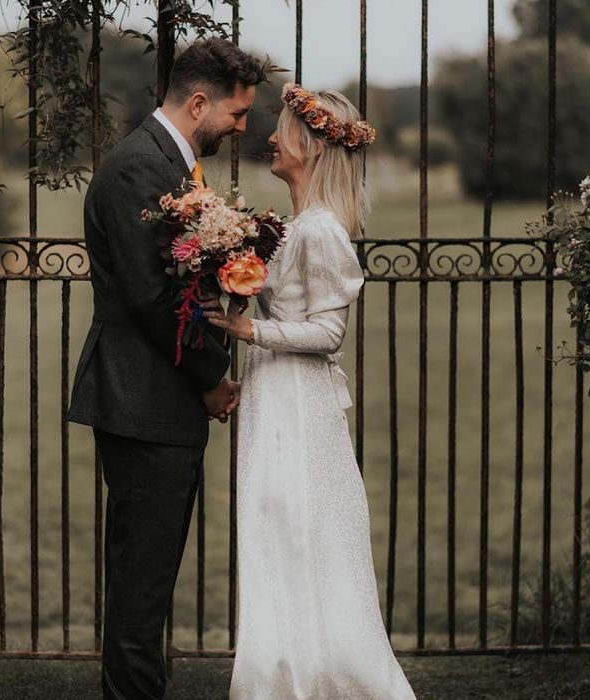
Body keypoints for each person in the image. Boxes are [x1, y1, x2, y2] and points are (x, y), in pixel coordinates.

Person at [67, 38, 268, 699]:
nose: (241, 129)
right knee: (141, 584)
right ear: (200, 101)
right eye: (237, 116)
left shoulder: (169, 167)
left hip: (156, 403)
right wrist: (212, 378)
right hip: (143, 400)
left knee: (149, 577)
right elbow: (153, 300)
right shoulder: (137, 170)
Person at [205, 83, 417, 699]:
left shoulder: (322, 230)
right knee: (275, 528)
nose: (270, 137)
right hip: (273, 390)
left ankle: (312, 676)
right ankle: (282, 668)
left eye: (282, 130)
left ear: (313, 146)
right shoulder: (293, 225)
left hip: (299, 401)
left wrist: (249, 327)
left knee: (298, 526)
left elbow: (327, 332)